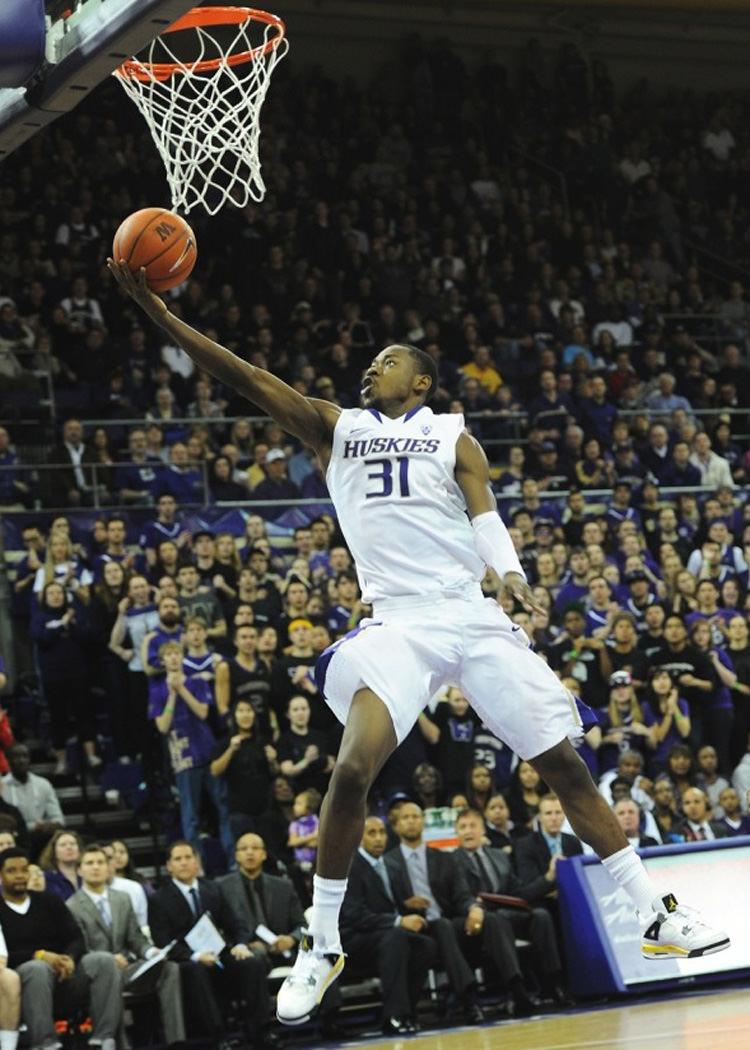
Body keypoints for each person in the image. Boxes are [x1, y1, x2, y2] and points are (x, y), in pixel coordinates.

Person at [108, 262, 730, 1026]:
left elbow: (484, 510)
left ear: (423, 383)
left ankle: (656, 914)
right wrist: (161, 317)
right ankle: (322, 939)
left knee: (563, 763)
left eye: (389, 361)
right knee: (351, 770)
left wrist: (506, 574)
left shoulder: (450, 434)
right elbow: (245, 376)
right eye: (372, 362)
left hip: (470, 612)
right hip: (397, 622)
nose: (373, 367)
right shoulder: (339, 428)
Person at [147, 840, 277, 1050]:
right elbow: (163, 942)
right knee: (196, 970)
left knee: (251, 963)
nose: (184, 863)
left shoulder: (213, 888)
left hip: (219, 953)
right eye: (178, 859)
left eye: (188, 858)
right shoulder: (159, 899)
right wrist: (197, 956)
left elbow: (236, 924)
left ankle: (262, 1033)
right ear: (169, 865)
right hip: (187, 959)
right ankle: (219, 1037)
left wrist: (241, 944)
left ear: (196, 863)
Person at [0, 847, 121, 1050]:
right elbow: (2, 956)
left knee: (103, 961)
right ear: (1, 875)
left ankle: (103, 1038)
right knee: (37, 968)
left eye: (24, 870)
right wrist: (38, 955)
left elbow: (75, 936)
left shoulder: (48, 900)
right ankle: (46, 1043)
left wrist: (70, 958)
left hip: (65, 975)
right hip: (24, 982)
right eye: (12, 871)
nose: (20, 876)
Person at [66, 844, 185, 1048]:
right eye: (90, 863)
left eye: (100, 862)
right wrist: (109, 959)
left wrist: (151, 951)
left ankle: (176, 1040)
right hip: (97, 973)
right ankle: (121, 1044)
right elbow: (79, 948)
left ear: (109, 867)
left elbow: (135, 938)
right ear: (79, 870)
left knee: (169, 968)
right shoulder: (71, 905)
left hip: (129, 969)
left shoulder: (122, 898)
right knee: (108, 974)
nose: (96, 867)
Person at [453, 807, 566, 1011]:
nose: (468, 831)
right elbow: (459, 896)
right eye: (462, 827)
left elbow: (518, 892)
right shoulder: (451, 861)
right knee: (497, 921)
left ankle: (553, 984)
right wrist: (476, 907)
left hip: (508, 913)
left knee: (540, 915)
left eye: (473, 826)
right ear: (456, 833)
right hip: (478, 920)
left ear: (483, 831)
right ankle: (517, 990)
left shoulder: (500, 856)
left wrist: (548, 879)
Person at [339, 816, 437, 1034]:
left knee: (426, 945)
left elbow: (389, 905)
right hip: (353, 938)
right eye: (371, 833)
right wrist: (399, 921)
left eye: (382, 832)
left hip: (385, 936)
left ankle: (407, 1011)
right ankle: (393, 1016)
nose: (379, 838)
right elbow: (355, 914)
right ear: (358, 837)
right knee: (396, 937)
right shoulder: (350, 867)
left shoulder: (390, 865)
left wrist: (406, 907)